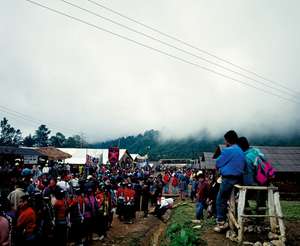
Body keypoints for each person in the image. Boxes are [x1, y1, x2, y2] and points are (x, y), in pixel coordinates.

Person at [214, 130, 245, 232]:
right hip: (239, 179)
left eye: (225, 140)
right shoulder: (240, 150)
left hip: (229, 179)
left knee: (220, 199)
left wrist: (223, 167)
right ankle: (233, 218)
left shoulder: (228, 150)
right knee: (233, 199)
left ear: (227, 140)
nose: (224, 142)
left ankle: (221, 222)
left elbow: (218, 163)